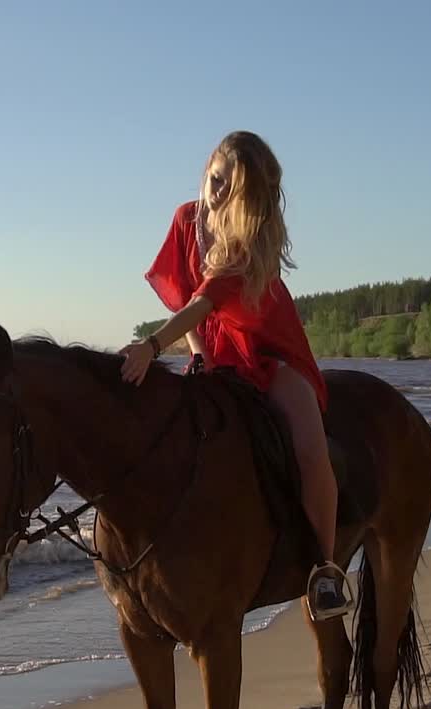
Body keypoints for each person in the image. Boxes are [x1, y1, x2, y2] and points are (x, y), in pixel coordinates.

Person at [119, 130, 350, 620]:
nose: (217, 193)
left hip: (271, 351)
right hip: (217, 347)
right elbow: (185, 298)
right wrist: (197, 353)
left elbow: (205, 300)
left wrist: (153, 345)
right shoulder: (186, 219)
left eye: (231, 190)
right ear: (208, 168)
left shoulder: (244, 244)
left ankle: (325, 571)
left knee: (310, 448)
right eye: (216, 180)